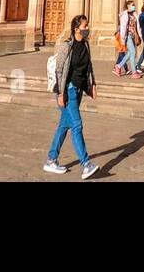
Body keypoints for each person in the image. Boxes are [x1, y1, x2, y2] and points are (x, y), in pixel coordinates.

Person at [43, 14, 100, 179]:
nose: (87, 29)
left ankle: (51, 159)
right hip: (67, 90)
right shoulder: (65, 46)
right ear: (76, 29)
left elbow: (88, 67)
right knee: (77, 125)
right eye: (85, 26)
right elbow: (59, 71)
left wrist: (92, 85)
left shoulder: (86, 45)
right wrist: (61, 94)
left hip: (78, 90)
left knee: (64, 125)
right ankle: (86, 164)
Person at [115, 1, 139, 77]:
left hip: (132, 35)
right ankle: (134, 72)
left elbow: (137, 25)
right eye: (132, 5)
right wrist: (122, 38)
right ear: (128, 6)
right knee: (133, 52)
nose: (134, 6)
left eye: (134, 4)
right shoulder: (125, 15)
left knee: (130, 53)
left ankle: (118, 66)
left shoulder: (133, 14)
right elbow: (123, 27)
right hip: (127, 36)